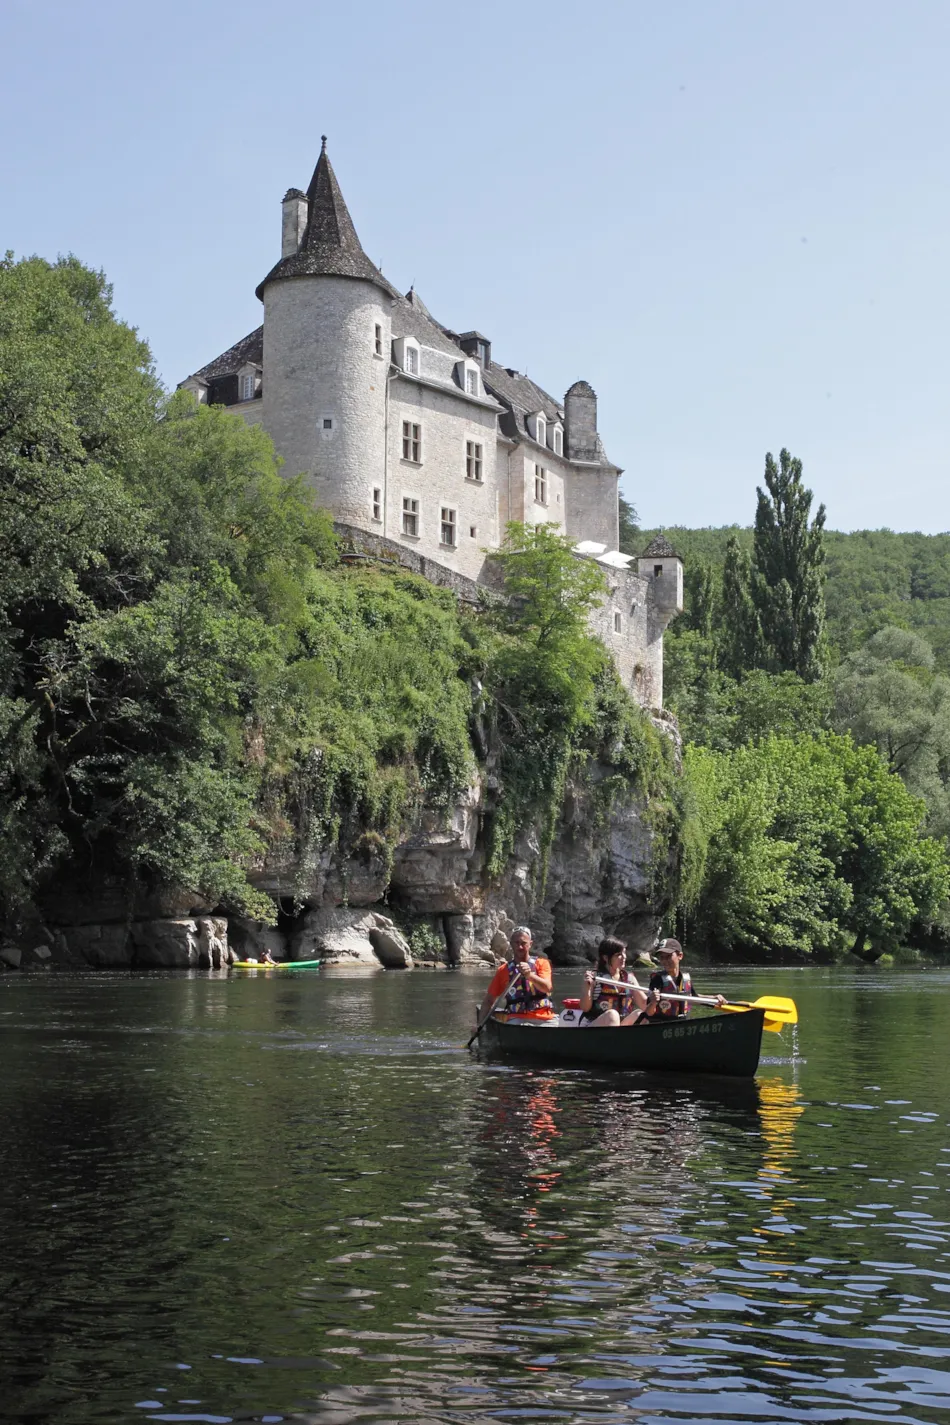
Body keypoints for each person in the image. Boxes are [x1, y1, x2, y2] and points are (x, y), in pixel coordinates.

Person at [477, 926, 556, 1023]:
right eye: (516, 943)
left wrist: (529, 975)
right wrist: (479, 1025)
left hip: (543, 1017)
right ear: (511, 944)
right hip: (516, 1018)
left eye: (523, 943)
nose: (520, 947)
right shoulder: (503, 970)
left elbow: (547, 988)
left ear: (530, 944)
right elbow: (488, 1001)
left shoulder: (542, 963)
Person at [642, 938, 724, 1020]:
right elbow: (648, 1013)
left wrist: (714, 998)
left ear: (680, 956)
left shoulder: (685, 978)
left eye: (668, 956)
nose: (664, 961)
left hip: (682, 1022)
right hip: (661, 1024)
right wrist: (653, 1002)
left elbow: (693, 997)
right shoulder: (657, 979)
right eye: (662, 957)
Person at [579, 937, 648, 1026]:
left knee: (640, 1014)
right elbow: (585, 1008)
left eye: (624, 953)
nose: (624, 957)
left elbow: (644, 1004)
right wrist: (588, 987)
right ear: (606, 958)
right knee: (612, 1015)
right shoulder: (594, 977)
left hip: (619, 1028)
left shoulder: (629, 978)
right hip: (595, 1027)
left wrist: (655, 1000)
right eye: (619, 954)